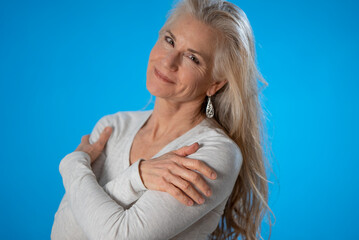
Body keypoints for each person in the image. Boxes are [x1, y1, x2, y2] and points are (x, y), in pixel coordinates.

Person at [51, 0, 272, 239]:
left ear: (215, 84)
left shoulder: (214, 152)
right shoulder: (112, 127)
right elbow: (62, 233)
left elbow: (118, 236)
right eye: (169, 40)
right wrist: (138, 177)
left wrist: (73, 166)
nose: (168, 62)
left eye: (193, 58)